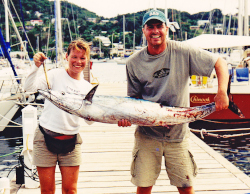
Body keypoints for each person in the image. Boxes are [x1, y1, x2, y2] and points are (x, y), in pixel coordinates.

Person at [119, 9, 229, 194]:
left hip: (178, 134)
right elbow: (134, 101)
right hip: (148, 135)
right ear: (143, 31)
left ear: (167, 28)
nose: (155, 31)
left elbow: (219, 62)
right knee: (143, 186)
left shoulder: (182, 51)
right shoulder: (133, 62)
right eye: (150, 27)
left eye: (159, 26)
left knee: (186, 187)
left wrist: (222, 92)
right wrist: (126, 118)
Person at [24, 39, 93, 194]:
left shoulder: (88, 88)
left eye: (82, 58)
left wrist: (94, 115)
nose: (78, 61)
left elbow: (89, 122)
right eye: (74, 56)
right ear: (66, 56)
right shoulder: (54, 75)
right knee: (47, 191)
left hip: (71, 142)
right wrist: (35, 67)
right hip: (45, 137)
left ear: (87, 60)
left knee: (71, 190)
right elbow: (28, 88)